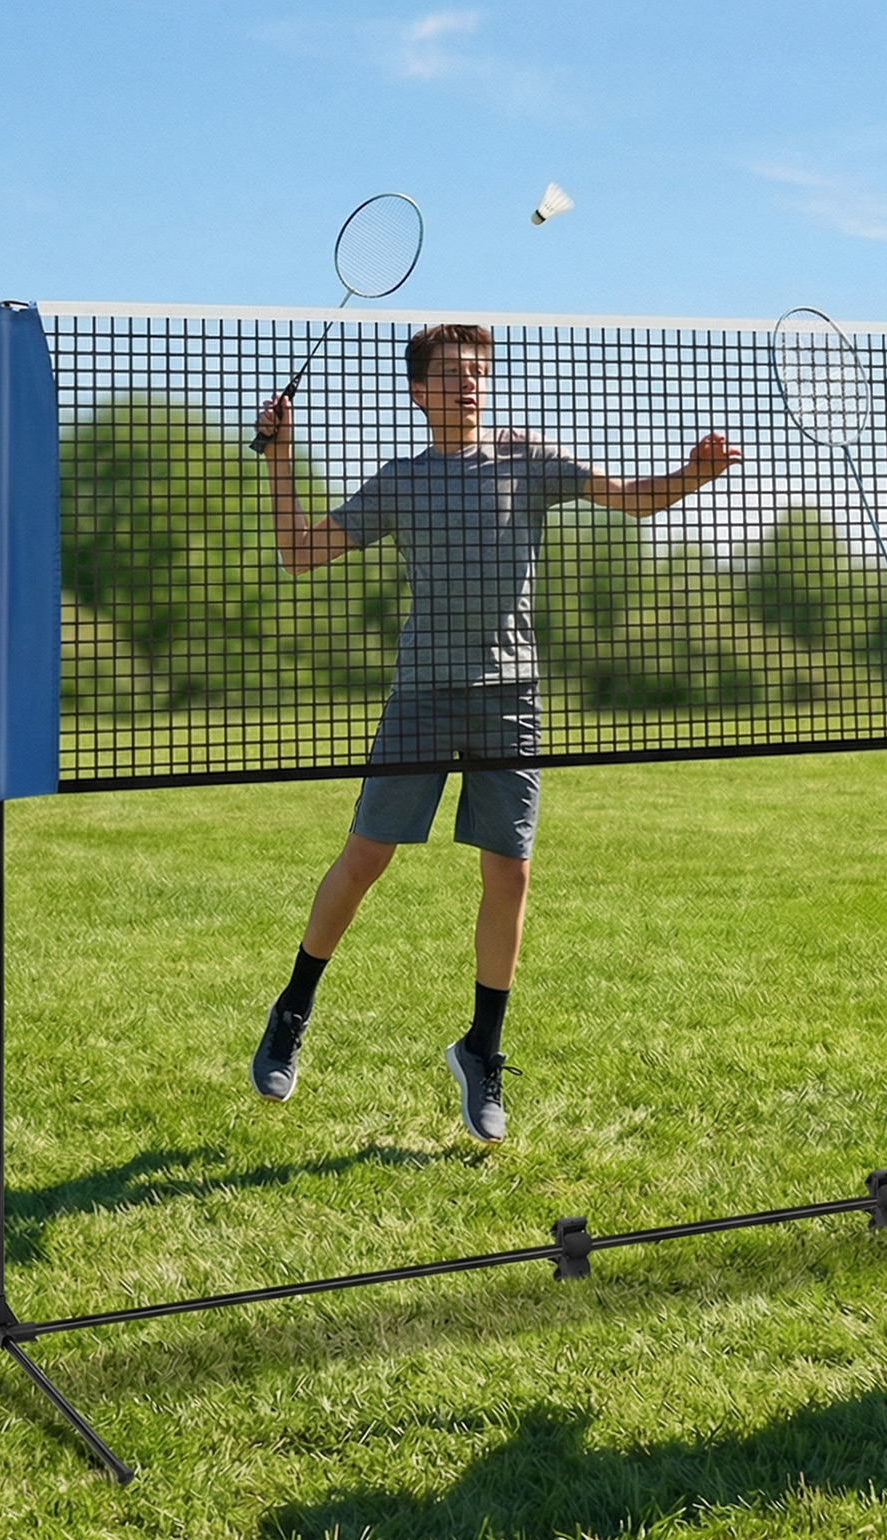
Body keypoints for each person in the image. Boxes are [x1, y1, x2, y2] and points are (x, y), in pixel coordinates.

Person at [250, 323, 740, 1142]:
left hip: (511, 697)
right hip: (422, 695)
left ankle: (482, 1050)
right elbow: (297, 554)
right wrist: (279, 460)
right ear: (417, 393)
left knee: (509, 874)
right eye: (450, 373)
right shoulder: (400, 483)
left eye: (478, 371)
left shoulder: (527, 459)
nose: (469, 383)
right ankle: (292, 1009)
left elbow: (626, 496)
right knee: (366, 858)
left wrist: (691, 475)